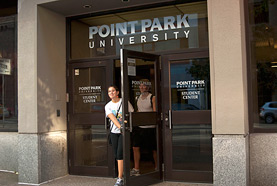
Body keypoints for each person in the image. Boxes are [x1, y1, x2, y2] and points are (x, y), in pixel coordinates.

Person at [105, 85, 134, 186]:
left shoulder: (124, 102)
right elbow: (112, 118)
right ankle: (125, 173)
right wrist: (119, 127)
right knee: (117, 155)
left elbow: (132, 114)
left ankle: (120, 178)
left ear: (117, 92)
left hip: (124, 132)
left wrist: (124, 127)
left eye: (113, 91)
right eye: (109, 92)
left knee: (120, 154)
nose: (111, 93)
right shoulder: (107, 106)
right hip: (114, 132)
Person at [131, 79, 157, 176]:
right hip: (139, 127)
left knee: (154, 148)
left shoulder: (152, 98)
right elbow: (138, 111)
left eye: (144, 86)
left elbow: (155, 113)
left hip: (150, 127)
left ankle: (157, 167)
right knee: (135, 147)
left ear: (148, 87)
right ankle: (136, 168)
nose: (142, 87)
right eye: (140, 86)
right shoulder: (138, 98)